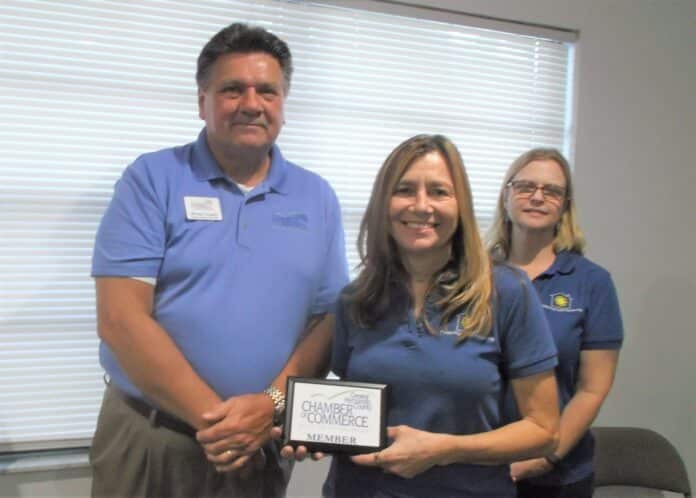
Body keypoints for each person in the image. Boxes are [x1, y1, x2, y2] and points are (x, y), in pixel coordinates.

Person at [90, 22, 349, 498]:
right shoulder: (152, 179)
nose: (252, 103)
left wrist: (267, 406)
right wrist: (225, 426)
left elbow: (329, 319)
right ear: (202, 101)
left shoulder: (317, 196)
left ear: (283, 105)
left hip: (261, 440)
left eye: (267, 91)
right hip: (154, 439)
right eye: (232, 89)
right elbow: (121, 319)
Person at [312, 134, 560, 498]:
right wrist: (308, 434)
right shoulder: (356, 299)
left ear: (461, 205)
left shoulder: (506, 292)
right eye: (405, 190)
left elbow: (544, 430)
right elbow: (355, 414)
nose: (421, 205)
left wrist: (444, 450)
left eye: (439, 192)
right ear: (384, 203)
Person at [487, 148, 623, 498]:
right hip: (476, 464)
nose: (536, 197)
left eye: (551, 190)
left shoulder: (592, 282)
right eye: (525, 186)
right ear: (506, 196)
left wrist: (546, 455)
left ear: (564, 205)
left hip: (557, 476)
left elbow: (592, 389)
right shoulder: (474, 276)